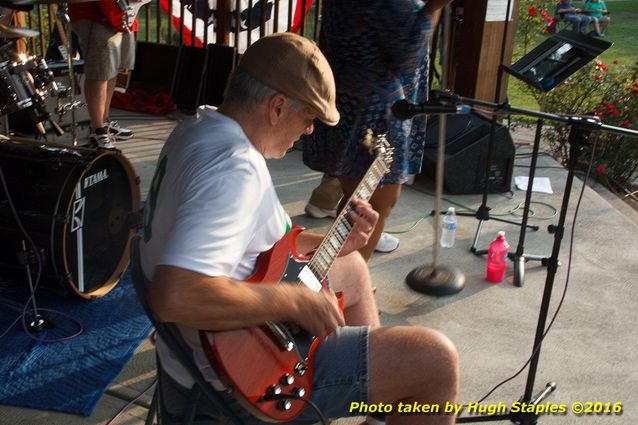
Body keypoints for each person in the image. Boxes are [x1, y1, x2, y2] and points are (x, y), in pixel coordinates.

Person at [140, 32, 459, 425]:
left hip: (193, 354)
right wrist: (294, 302)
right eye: (308, 117)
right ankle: (375, 386)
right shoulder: (233, 170)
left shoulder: (198, 128)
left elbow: (262, 247)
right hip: (239, 376)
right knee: (436, 360)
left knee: (355, 268)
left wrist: (338, 239)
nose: (309, 130)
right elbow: (175, 295)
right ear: (276, 107)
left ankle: (374, 399)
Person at [302, 0, 452, 261]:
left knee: (357, 200)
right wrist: (434, 6)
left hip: (349, 94)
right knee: (375, 203)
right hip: (374, 108)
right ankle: (343, 287)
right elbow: (409, 52)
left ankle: (337, 281)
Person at [69, 0, 137, 148]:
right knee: (100, 71)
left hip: (121, 11)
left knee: (114, 67)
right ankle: (97, 128)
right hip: (94, 12)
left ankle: (104, 121)